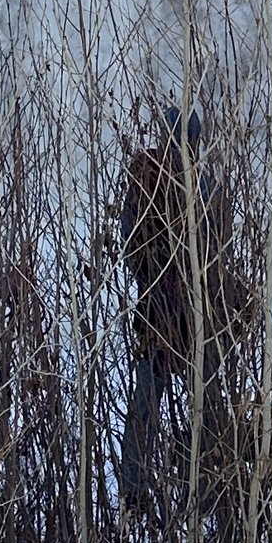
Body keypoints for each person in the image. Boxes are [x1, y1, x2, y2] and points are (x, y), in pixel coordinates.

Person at [114, 109, 247, 507]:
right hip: (192, 319)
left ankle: (138, 494)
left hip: (164, 315)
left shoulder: (147, 176)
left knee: (148, 407)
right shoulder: (198, 182)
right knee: (204, 405)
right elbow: (220, 250)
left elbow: (129, 239)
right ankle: (208, 487)